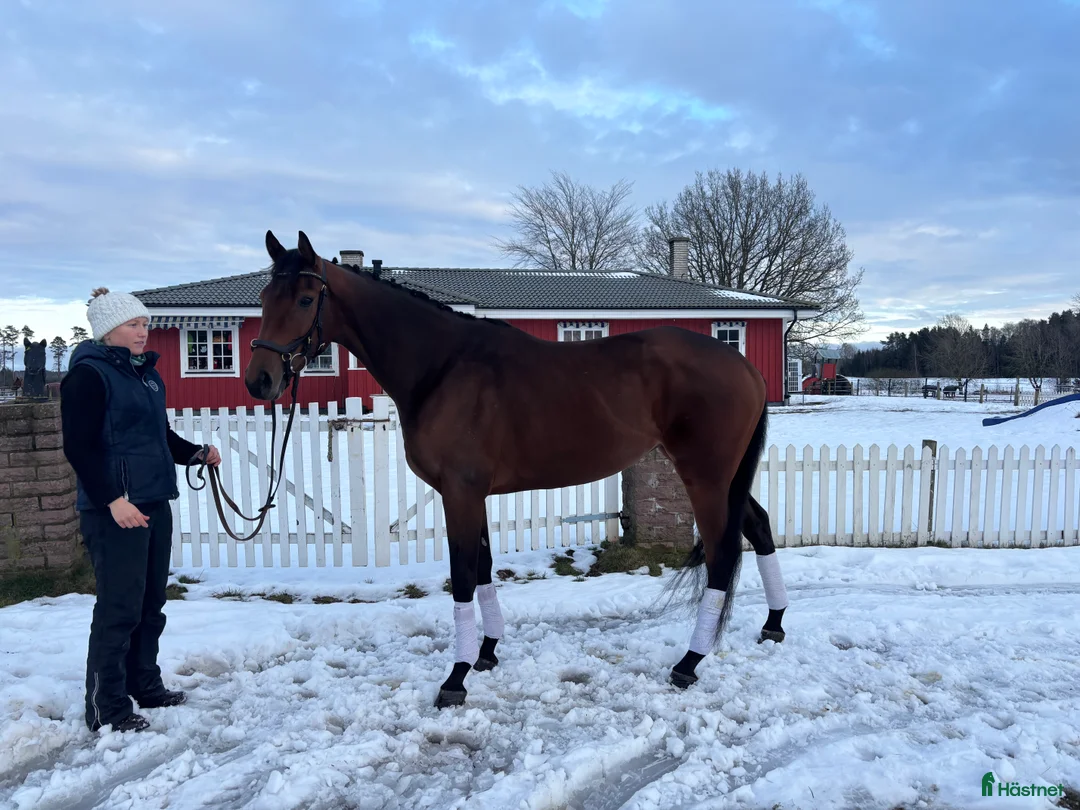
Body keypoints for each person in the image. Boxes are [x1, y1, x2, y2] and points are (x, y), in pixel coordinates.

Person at [61, 288, 221, 733]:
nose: (143, 331)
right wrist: (113, 500)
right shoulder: (88, 376)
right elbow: (78, 447)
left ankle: (143, 684)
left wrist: (195, 453)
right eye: (133, 324)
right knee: (120, 607)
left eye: (145, 324)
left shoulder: (146, 376)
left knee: (151, 602)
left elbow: (159, 436)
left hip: (153, 501)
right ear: (108, 329)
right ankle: (106, 707)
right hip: (114, 510)